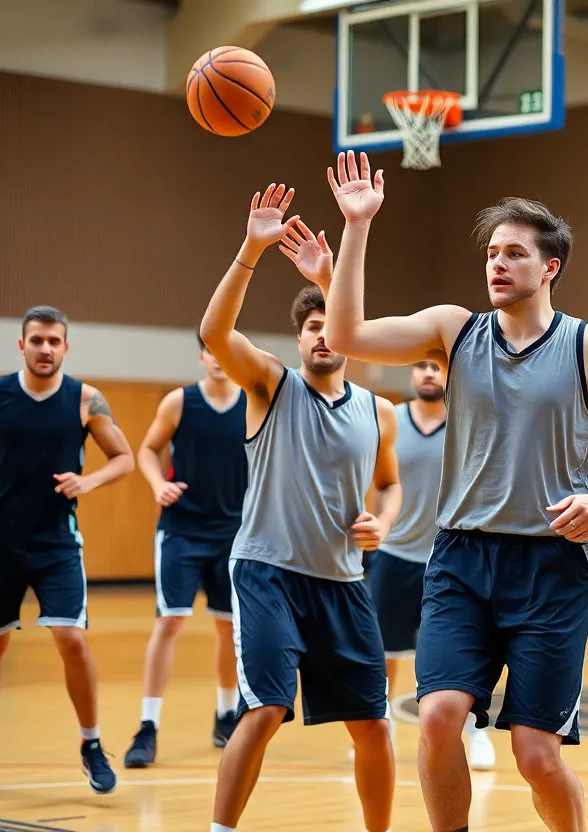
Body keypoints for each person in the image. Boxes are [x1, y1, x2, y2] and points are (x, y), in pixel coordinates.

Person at [312, 152, 588, 832]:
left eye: (514, 253)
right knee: (441, 715)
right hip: (462, 559)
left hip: (550, 567)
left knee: (536, 756)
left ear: (550, 268)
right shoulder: (456, 330)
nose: (497, 264)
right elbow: (345, 335)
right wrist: (358, 226)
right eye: (491, 253)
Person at [200, 182, 401, 832]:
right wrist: (251, 248)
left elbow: (390, 485)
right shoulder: (269, 385)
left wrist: (384, 520)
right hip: (267, 574)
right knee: (263, 712)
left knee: (374, 725)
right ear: (298, 340)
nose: (323, 336)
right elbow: (214, 331)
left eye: (330, 325)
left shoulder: (380, 413)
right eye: (311, 327)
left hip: (342, 583)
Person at [0, 305, 135, 797]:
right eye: (36, 340)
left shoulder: (86, 400)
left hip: (57, 544)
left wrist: (87, 481)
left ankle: (92, 745)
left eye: (54, 341)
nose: (45, 348)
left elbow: (125, 458)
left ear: (66, 347)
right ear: (21, 345)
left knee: (72, 639)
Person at [362, 358, 497, 771]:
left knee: (466, 652)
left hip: (455, 557)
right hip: (395, 553)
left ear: (449, 375)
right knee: (380, 649)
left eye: (436, 367)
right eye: (420, 366)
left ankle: (476, 732)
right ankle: (377, 728)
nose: (428, 373)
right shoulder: (389, 419)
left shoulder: (467, 422)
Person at [123, 334, 249, 768]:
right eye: (210, 351)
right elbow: (147, 449)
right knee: (170, 622)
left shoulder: (253, 403)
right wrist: (158, 484)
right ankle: (147, 726)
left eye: (224, 351)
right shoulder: (179, 402)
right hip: (182, 530)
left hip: (235, 531)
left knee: (228, 629)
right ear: (201, 356)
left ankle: (226, 713)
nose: (217, 359)